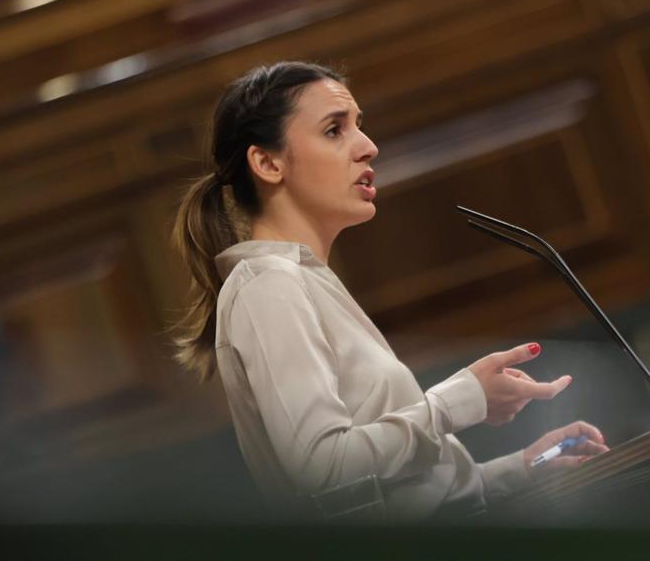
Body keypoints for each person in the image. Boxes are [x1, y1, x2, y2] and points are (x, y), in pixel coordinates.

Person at [170, 61, 609, 520]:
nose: (368, 147)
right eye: (334, 130)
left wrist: (522, 469)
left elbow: (406, 499)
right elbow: (323, 469)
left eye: (359, 126)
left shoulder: (300, 279)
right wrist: (460, 400)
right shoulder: (268, 286)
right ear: (267, 162)